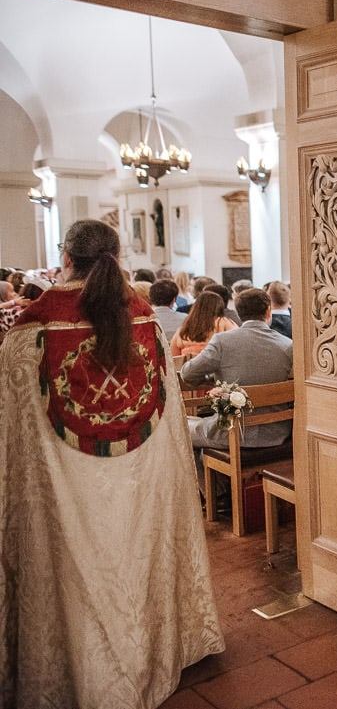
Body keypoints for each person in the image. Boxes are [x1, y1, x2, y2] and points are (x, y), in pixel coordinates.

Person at [0, 219, 223, 708]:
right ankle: (152, 647)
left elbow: (17, 440)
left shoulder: (30, 334)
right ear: (116, 258)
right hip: (140, 489)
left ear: (66, 258)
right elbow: (166, 428)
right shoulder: (144, 324)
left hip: (67, 498)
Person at [181, 287, 293, 452]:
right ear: (268, 311)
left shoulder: (222, 341)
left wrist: (210, 380)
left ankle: (209, 476)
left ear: (238, 313)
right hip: (277, 432)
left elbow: (187, 373)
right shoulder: (287, 344)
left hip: (231, 431)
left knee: (181, 428)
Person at [171, 290, 237, 358]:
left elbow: (174, 354)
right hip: (216, 365)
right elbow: (237, 343)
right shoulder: (224, 322)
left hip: (188, 365)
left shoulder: (185, 326)